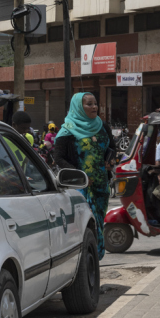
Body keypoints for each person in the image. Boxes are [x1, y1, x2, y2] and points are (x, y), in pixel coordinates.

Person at [54, 93, 117, 259]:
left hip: (101, 185)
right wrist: (77, 174)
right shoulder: (67, 130)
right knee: (88, 224)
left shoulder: (102, 126)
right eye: (89, 104)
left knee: (98, 221)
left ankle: (94, 260)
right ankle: (91, 258)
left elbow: (112, 147)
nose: (94, 107)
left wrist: (110, 161)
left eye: (95, 103)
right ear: (79, 107)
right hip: (80, 187)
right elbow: (58, 158)